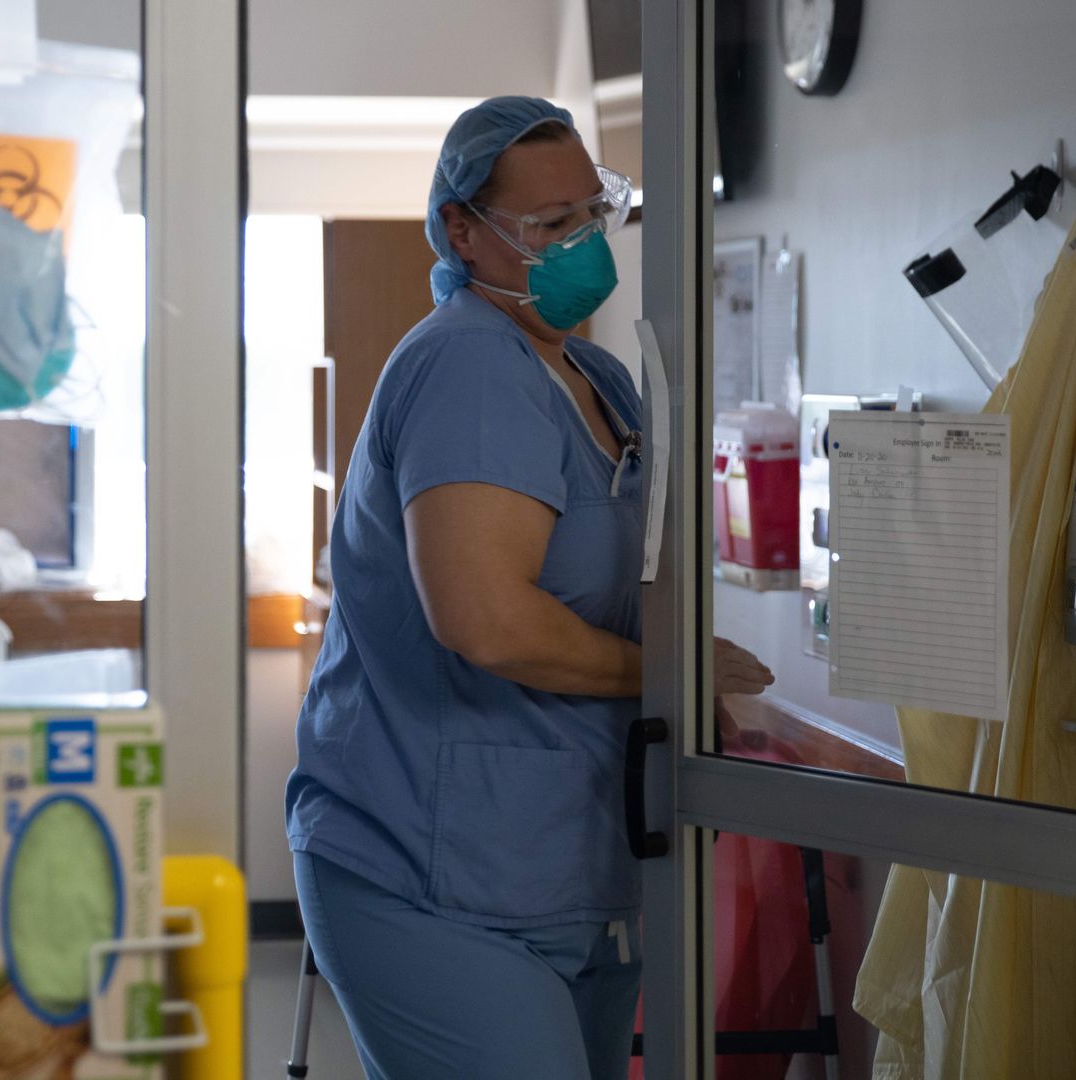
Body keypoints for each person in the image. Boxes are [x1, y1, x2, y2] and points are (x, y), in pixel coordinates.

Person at [284, 96, 775, 1079]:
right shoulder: (467, 361)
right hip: (433, 872)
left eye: (592, 215)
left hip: (568, 866)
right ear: (463, 232)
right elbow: (489, 623)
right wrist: (665, 679)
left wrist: (696, 695)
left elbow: (641, 572)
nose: (582, 245)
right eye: (550, 227)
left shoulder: (597, 376)